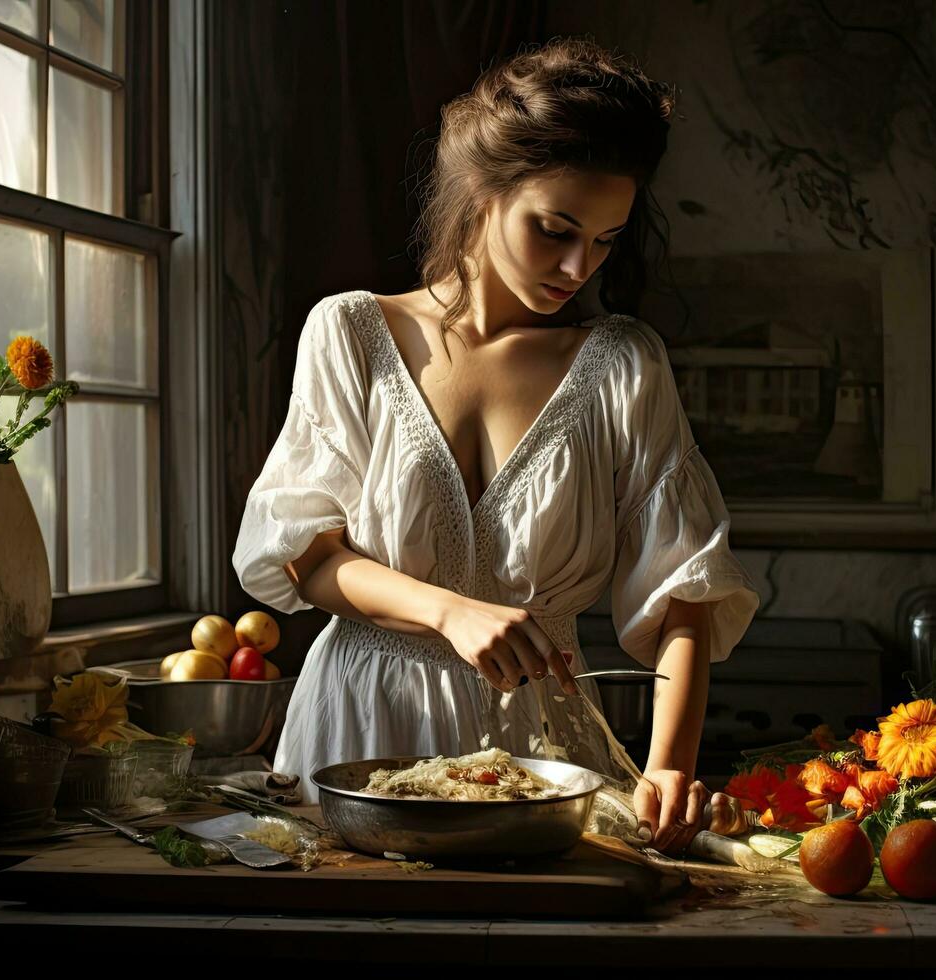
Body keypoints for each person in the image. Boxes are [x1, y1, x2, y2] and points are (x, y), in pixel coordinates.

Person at [232, 37, 760, 854]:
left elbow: (687, 594)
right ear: (482, 193)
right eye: (555, 230)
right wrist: (449, 612)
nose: (580, 266)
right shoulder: (351, 333)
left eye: (607, 240)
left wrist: (669, 766)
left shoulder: (622, 364)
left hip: (542, 745)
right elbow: (307, 556)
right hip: (359, 723)